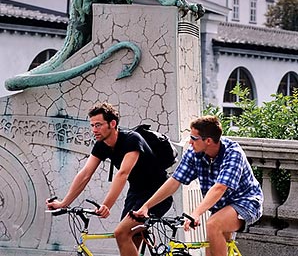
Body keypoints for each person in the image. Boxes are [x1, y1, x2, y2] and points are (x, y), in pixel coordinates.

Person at [46, 102, 173, 256]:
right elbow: (86, 173)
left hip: (157, 193)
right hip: (136, 194)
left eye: (98, 125)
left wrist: (106, 205)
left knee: (121, 233)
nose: (94, 130)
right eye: (92, 125)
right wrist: (64, 203)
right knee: (129, 240)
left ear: (112, 124)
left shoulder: (132, 140)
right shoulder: (101, 145)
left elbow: (123, 174)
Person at [134, 115, 263, 256]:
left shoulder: (233, 153)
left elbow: (219, 188)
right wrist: (147, 206)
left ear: (208, 141)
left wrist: (196, 213)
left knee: (213, 225)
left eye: (194, 138)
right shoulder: (194, 152)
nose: (190, 142)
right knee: (211, 249)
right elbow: (174, 181)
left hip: (245, 201)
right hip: (220, 206)